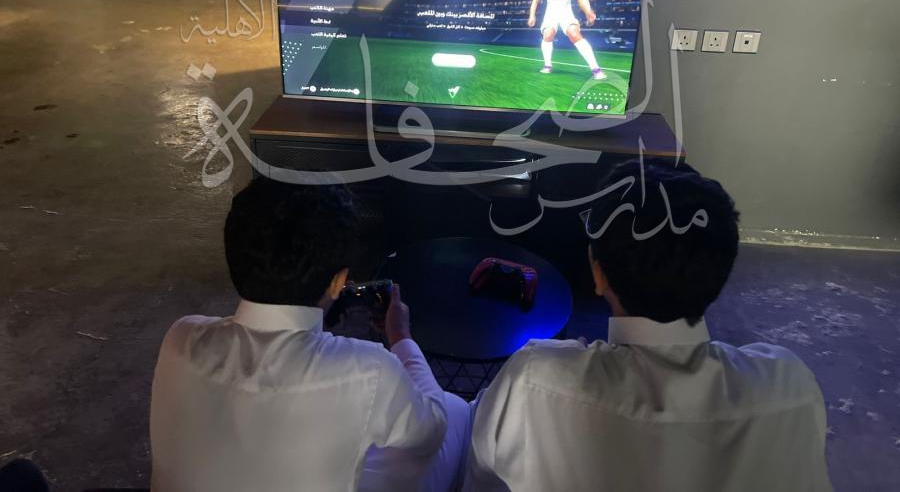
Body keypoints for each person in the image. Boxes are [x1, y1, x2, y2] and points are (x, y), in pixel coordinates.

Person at [463, 159, 832, 491]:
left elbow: (478, 479)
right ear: (721, 270)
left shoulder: (533, 379)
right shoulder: (791, 386)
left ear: (598, 273)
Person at [150, 177, 469, 492]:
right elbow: (432, 431)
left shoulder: (181, 339)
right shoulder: (370, 371)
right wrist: (400, 336)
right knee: (454, 412)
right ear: (338, 282)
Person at [527, 0, 605, 80]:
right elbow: (536, 0)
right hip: (551, 14)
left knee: (574, 34)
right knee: (548, 35)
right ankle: (547, 65)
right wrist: (532, 15)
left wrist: (588, 11)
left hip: (566, 13)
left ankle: (596, 69)